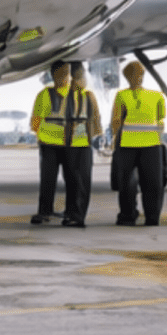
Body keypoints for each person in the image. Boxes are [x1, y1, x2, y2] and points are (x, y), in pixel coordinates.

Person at [29, 61, 98, 228]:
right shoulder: (82, 94)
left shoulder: (46, 94)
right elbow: (93, 122)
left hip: (60, 144)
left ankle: (48, 212)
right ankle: (68, 214)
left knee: (51, 180)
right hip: (66, 144)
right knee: (71, 180)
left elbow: (35, 122)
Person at [109, 60, 167, 228]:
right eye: (136, 74)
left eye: (140, 74)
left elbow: (116, 121)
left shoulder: (123, 96)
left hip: (133, 145)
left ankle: (129, 217)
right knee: (151, 183)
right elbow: (160, 120)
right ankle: (151, 217)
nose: (139, 77)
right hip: (147, 145)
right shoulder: (156, 96)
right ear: (127, 77)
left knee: (130, 183)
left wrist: (114, 139)